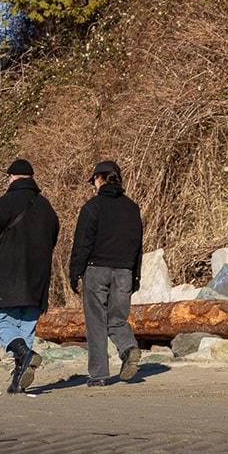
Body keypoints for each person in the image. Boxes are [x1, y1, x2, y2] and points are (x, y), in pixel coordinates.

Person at [0, 158, 60, 393]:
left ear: (11, 177)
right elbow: (53, 239)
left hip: (10, 275)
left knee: (0, 321)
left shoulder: (6, 202)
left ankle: (24, 353)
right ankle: (17, 381)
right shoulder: (47, 207)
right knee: (25, 328)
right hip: (38, 278)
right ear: (31, 178)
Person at [69, 159, 145, 387]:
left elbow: (82, 243)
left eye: (93, 180)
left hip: (96, 269)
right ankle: (129, 348)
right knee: (117, 320)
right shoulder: (132, 208)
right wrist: (136, 275)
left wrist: (75, 273)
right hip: (124, 271)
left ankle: (99, 374)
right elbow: (137, 245)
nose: (93, 185)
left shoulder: (92, 207)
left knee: (96, 323)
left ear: (100, 179)